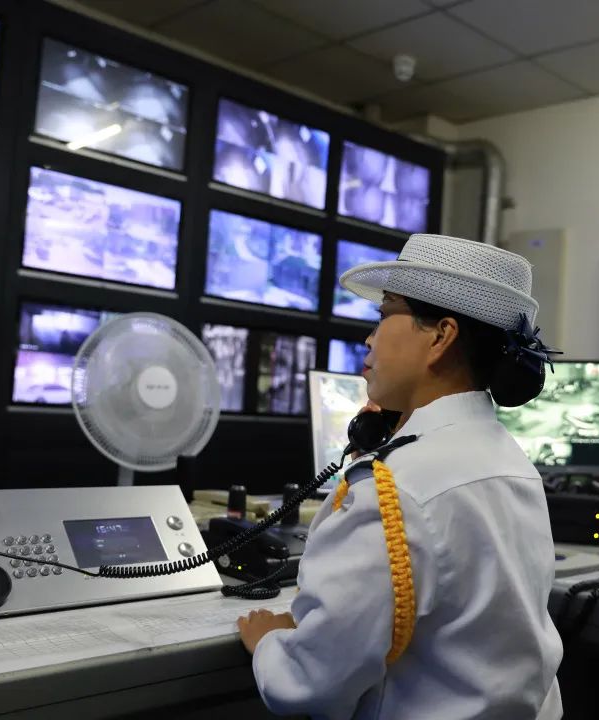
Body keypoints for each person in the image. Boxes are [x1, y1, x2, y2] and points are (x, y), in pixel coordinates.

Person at [237, 233, 564, 719]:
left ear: (440, 336)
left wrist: (270, 644)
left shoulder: (397, 487)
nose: (369, 338)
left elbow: (311, 683)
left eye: (384, 314)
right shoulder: (512, 463)